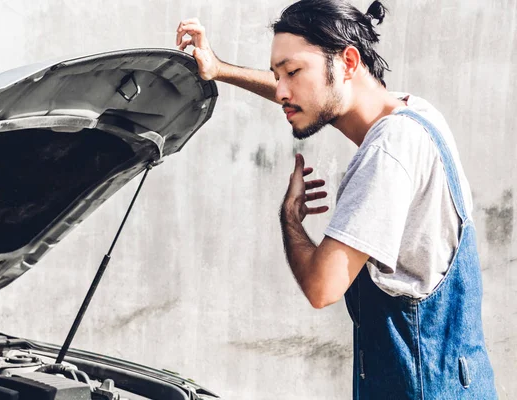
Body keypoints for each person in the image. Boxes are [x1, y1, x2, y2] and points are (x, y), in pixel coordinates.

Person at [176, 0, 497, 399]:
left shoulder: (387, 153)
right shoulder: (415, 115)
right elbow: (314, 98)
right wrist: (219, 69)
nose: (282, 91)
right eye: (278, 76)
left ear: (348, 61)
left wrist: (290, 217)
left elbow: (321, 287)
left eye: (292, 71)